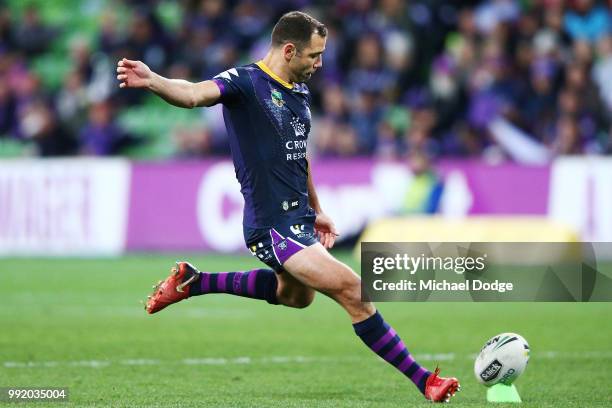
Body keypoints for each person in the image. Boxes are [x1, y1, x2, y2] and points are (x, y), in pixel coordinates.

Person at [117, 11, 460, 403]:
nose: (319, 63)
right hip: (271, 226)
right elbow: (194, 94)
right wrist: (154, 81)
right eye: (314, 55)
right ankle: (424, 381)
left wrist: (317, 208)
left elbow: (299, 155)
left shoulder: (298, 91)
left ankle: (196, 280)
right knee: (354, 290)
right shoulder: (243, 82)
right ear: (290, 49)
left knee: (297, 297)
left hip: (297, 219)